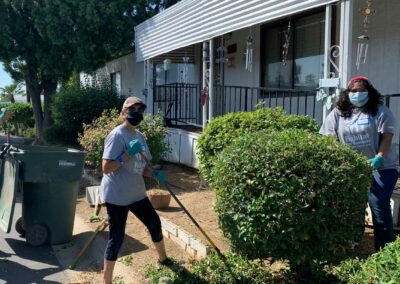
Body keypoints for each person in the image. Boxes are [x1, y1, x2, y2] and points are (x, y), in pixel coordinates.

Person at [320, 76, 399, 251]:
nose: (357, 94)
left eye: (362, 90)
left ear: (369, 93)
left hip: (383, 166)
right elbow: (329, 139)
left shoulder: (380, 110)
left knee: (378, 202)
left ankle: (384, 249)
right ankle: (353, 243)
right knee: (353, 204)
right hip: (354, 167)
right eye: (353, 91)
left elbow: (387, 137)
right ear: (347, 93)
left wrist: (379, 157)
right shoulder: (338, 112)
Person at [100, 96, 170, 284]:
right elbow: (106, 168)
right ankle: (107, 281)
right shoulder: (117, 135)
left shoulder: (139, 136)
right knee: (117, 238)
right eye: (132, 110)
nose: (136, 113)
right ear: (123, 113)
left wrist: (154, 174)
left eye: (140, 110)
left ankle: (164, 260)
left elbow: (142, 167)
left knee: (154, 223)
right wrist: (127, 155)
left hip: (136, 192)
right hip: (117, 195)